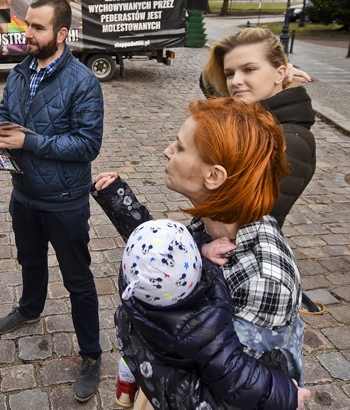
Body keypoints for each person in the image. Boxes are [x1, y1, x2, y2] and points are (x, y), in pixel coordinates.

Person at [94, 98, 305, 409]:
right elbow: (171, 266)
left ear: (214, 176)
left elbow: (224, 398)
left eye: (179, 148)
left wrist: (135, 335)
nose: (167, 151)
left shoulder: (264, 280)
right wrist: (121, 204)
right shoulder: (212, 225)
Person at [0, 0, 104, 402]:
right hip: (24, 193)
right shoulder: (19, 72)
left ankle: (91, 355)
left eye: (38, 27)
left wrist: (29, 140)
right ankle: (30, 307)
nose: (28, 33)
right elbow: (5, 113)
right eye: (26, 25)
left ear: (62, 33)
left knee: (78, 281)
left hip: (66, 199)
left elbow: (87, 144)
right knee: (30, 259)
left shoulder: (83, 82)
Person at [105, 217, 309, 410]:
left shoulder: (134, 292)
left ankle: (126, 379)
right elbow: (236, 375)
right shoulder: (204, 326)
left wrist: (203, 247)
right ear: (196, 270)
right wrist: (286, 394)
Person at [199, 28, 316, 227]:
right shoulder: (250, 115)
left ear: (280, 73)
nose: (235, 81)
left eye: (249, 69)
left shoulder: (290, 140)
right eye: (230, 73)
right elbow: (210, 85)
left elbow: (250, 222)